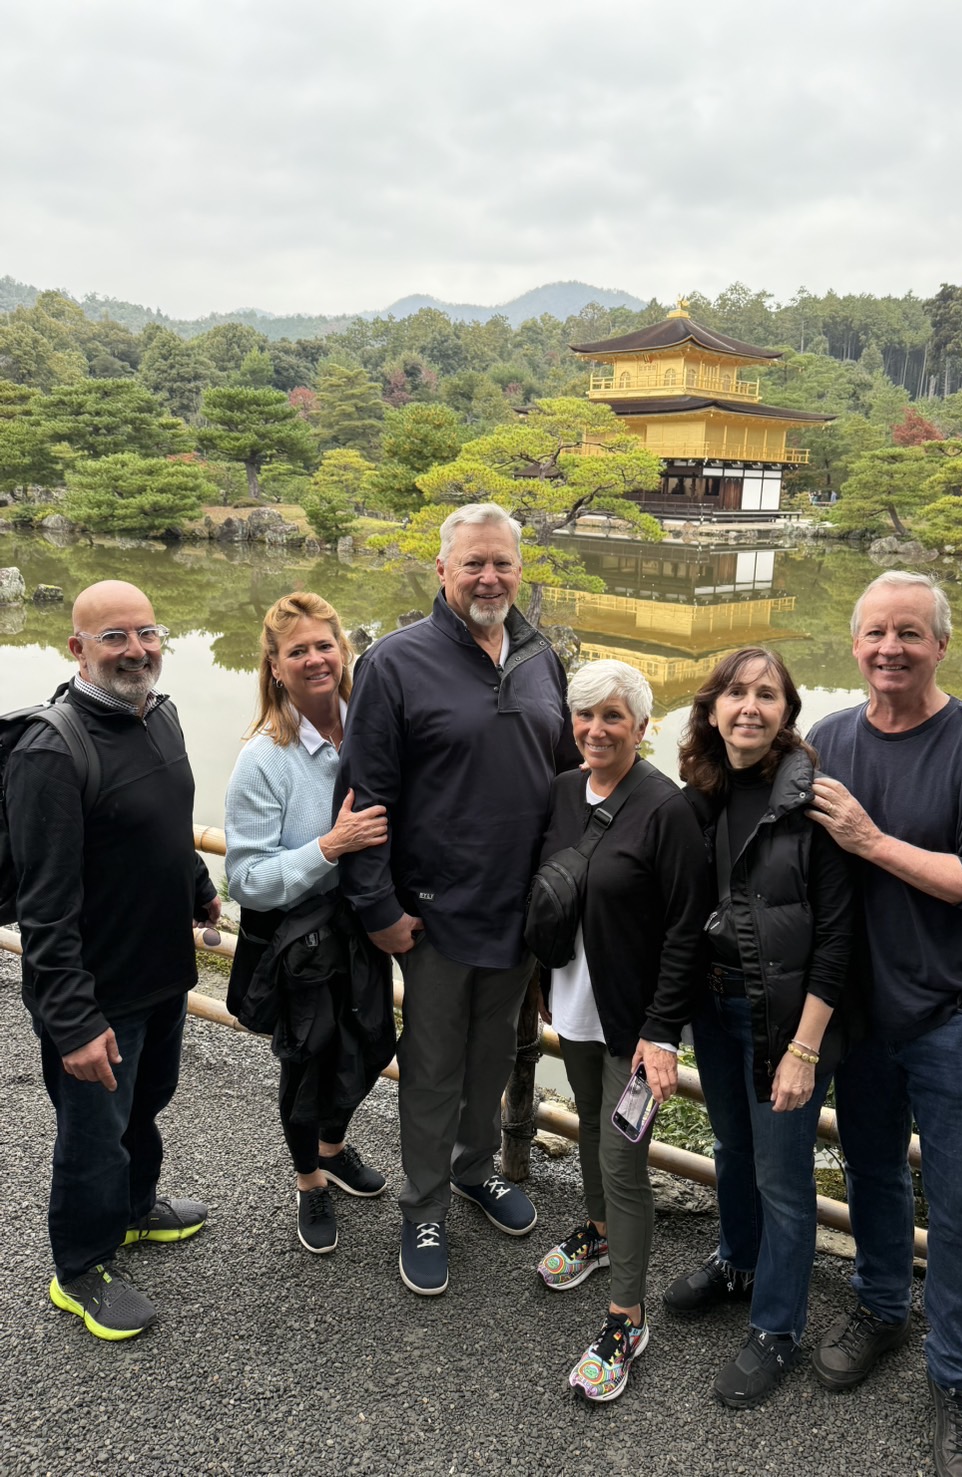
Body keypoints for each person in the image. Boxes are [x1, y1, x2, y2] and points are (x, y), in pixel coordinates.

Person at [805, 571, 962, 1477]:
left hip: (958, 1015)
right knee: (871, 1176)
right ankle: (882, 1306)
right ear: (853, 642)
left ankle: (959, 1379)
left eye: (910, 632)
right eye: (875, 632)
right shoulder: (826, 739)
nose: (890, 648)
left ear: (942, 643)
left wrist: (871, 841)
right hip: (861, 1013)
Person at [337, 503, 578, 1296]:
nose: (489, 577)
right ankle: (424, 1204)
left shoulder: (541, 657)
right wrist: (378, 908)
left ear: (519, 569)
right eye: (473, 563)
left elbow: (570, 778)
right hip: (433, 914)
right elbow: (364, 797)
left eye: (502, 563)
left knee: (491, 1060)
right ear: (441, 570)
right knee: (434, 1067)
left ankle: (475, 1170)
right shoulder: (396, 662)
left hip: (518, 911)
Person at [7, 580, 219, 1341]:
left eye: (146, 632)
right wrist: (72, 1022)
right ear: (78, 649)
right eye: (114, 637)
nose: (136, 649)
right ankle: (82, 1265)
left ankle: (133, 1210)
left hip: (162, 970)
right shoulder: (51, 750)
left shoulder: (158, 713)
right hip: (97, 993)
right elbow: (46, 904)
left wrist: (197, 884)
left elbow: (166, 819)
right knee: (93, 1133)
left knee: (145, 1101)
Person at [661, 647, 855, 1407]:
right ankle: (737, 1260)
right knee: (732, 1147)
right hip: (716, 1005)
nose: (749, 706)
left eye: (766, 694)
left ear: (786, 712)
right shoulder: (702, 791)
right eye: (735, 692)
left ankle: (778, 1324)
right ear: (712, 708)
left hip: (785, 1018)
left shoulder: (812, 801)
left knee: (782, 1173)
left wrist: (804, 1050)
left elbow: (838, 939)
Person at [534, 660, 712, 1402]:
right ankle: (600, 1232)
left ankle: (626, 1318)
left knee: (623, 1154)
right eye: (585, 716)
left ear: (644, 726)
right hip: (573, 1003)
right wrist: (546, 980)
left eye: (613, 716)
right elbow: (551, 892)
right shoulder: (560, 793)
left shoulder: (667, 808)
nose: (596, 730)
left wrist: (662, 1030)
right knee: (586, 1129)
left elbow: (685, 930)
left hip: (633, 1024)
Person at [224, 593, 395, 1255]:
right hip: (300, 941)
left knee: (371, 1042)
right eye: (298, 650)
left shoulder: (369, 724)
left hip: (360, 925)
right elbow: (246, 878)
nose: (315, 658)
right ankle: (309, 1180)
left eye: (325, 644)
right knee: (305, 1066)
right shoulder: (262, 757)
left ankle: (335, 1145)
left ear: (342, 649)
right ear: (274, 665)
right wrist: (331, 844)